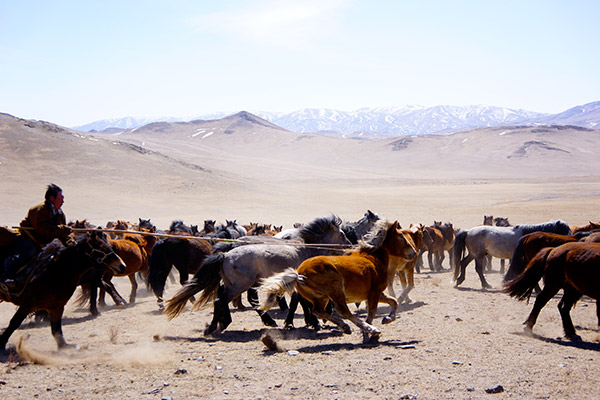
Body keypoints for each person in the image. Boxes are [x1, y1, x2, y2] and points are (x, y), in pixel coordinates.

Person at [0, 184, 73, 291]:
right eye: (60, 198)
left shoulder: (60, 214)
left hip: (42, 245)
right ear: (51, 198)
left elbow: (63, 234)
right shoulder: (39, 209)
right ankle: (6, 278)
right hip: (27, 240)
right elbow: (42, 229)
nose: (63, 201)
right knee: (27, 250)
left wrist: (71, 243)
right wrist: (62, 229)